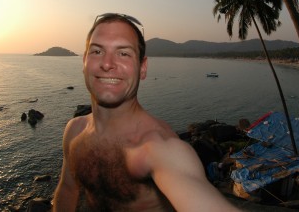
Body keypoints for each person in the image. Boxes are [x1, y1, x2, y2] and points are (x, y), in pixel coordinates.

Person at [52, 13, 240, 211]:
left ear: (142, 68)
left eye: (123, 53)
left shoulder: (158, 147)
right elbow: (67, 189)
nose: (107, 64)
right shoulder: (74, 131)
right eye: (97, 51)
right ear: (84, 62)